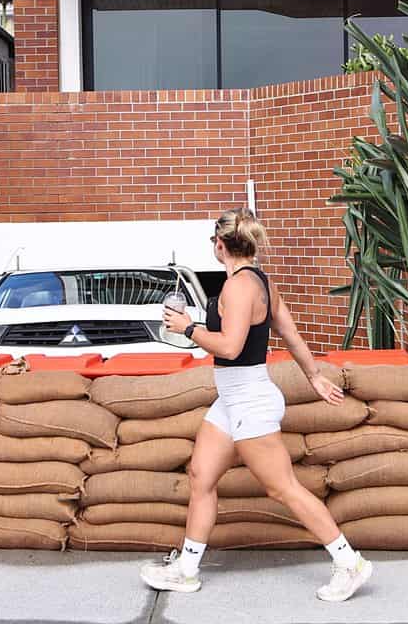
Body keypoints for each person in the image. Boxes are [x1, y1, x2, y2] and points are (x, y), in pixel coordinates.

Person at [139, 207, 373, 602]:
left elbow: (230, 346)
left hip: (249, 399)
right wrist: (313, 376)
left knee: (283, 489)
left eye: (213, 242)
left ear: (219, 245)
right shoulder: (261, 283)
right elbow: (291, 334)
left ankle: (350, 563)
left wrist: (188, 328)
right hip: (233, 399)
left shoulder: (237, 287)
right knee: (201, 476)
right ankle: (187, 569)